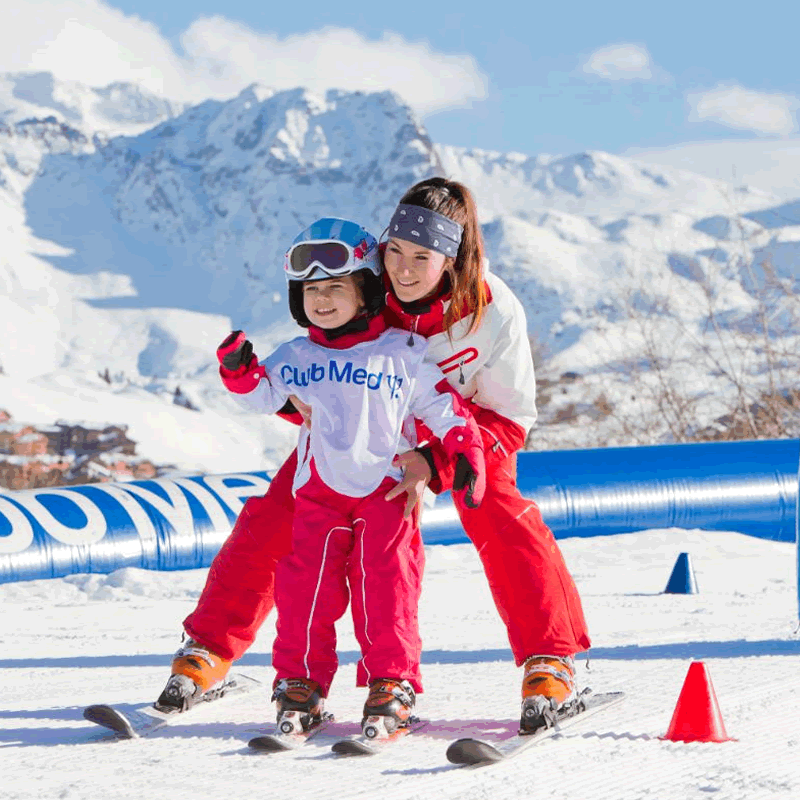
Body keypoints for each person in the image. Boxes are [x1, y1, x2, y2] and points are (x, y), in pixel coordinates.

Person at [160, 178, 592, 733]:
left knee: (497, 511)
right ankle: (208, 648)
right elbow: (320, 372)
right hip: (368, 434)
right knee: (278, 514)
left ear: (453, 259)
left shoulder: (494, 312)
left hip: (466, 431)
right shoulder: (371, 285)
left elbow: (511, 416)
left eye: (422, 258)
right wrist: (296, 406)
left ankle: (548, 658)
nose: (404, 270)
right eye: (395, 252)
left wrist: (434, 464)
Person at [159, 217, 486, 737]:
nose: (323, 299)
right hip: (317, 494)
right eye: (312, 290)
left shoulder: (402, 353)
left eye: (336, 287)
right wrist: (239, 372)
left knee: (387, 588)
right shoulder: (297, 356)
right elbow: (262, 395)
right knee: (302, 591)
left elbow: (445, 408)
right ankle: (300, 684)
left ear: (368, 290)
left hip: (387, 491)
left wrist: (463, 452)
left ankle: (391, 684)